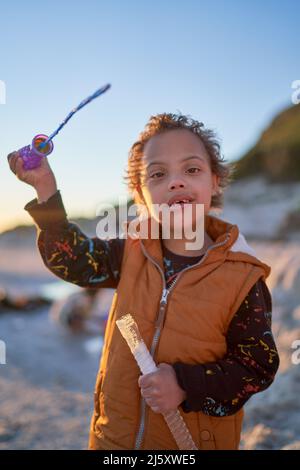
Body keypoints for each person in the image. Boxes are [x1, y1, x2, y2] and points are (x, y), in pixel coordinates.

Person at [7, 113, 279, 450]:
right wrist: (45, 188)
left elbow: (257, 366)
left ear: (215, 181)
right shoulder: (129, 254)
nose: (176, 182)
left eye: (191, 169)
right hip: (113, 442)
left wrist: (186, 384)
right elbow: (73, 261)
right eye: (158, 174)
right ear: (140, 192)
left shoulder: (242, 277)